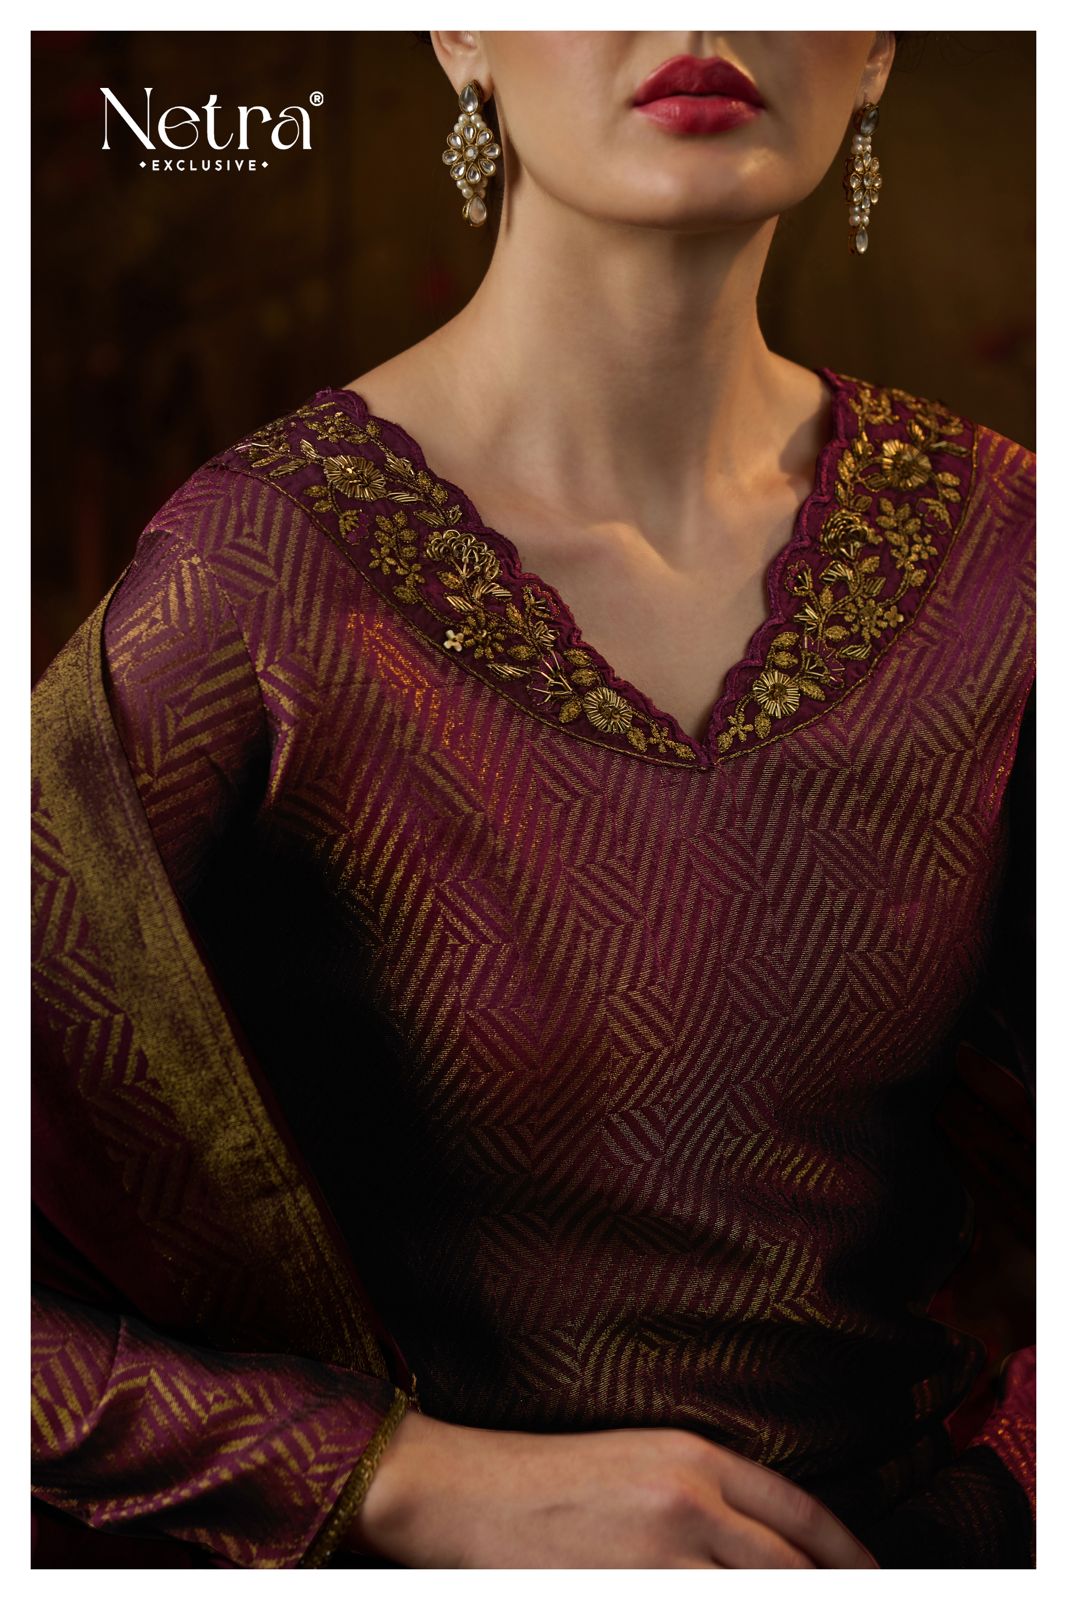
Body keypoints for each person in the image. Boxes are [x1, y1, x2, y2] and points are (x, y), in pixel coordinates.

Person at [31, 30, 1035, 1569]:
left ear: (883, 44)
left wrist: (991, 1520)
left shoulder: (1008, 555)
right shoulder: (257, 584)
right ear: (459, 32)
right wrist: (403, 1481)